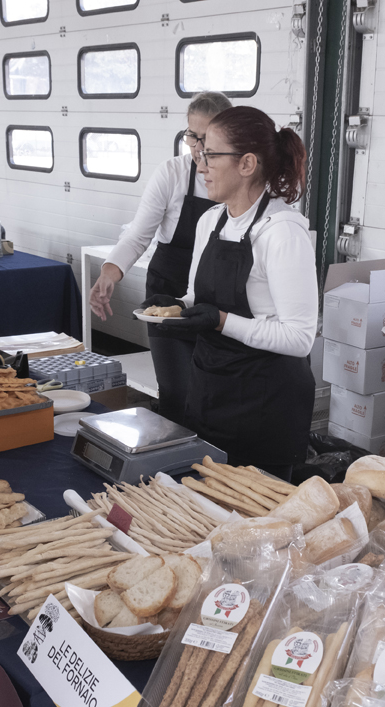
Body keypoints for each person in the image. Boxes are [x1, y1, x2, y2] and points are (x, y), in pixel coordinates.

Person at [148, 106, 317, 481]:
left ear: (247, 164)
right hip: (211, 391)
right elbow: (198, 297)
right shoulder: (210, 220)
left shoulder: (282, 232)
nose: (201, 165)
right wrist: (176, 306)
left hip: (265, 405)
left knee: (254, 513)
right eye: (200, 153)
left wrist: (221, 321)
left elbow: (299, 338)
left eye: (211, 155)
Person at [89, 91, 233, 424]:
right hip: (168, 295)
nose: (198, 147)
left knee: (216, 396)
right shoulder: (172, 174)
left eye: (207, 138)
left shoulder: (236, 181)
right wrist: (109, 273)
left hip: (218, 300)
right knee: (177, 392)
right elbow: (138, 234)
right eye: (192, 136)